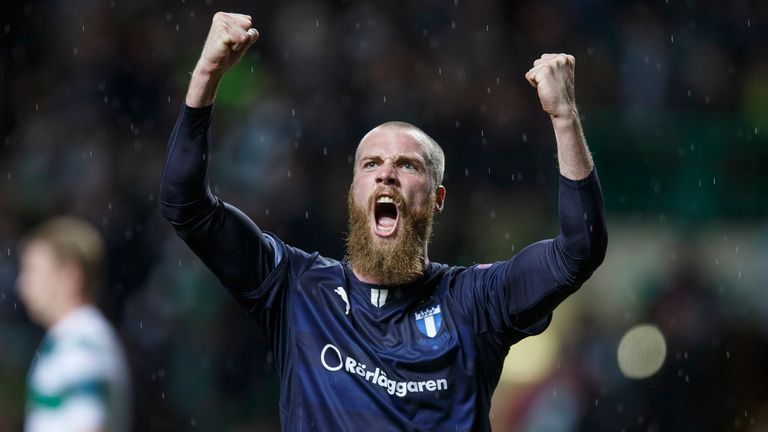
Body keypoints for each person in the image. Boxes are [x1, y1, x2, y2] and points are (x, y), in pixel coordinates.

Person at [160, 12, 607, 431]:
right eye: (371, 164)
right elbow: (186, 205)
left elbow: (579, 249)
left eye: (408, 166)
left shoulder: (475, 302)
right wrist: (205, 77)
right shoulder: (296, 288)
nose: (387, 172)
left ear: (437, 199)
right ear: (352, 192)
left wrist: (564, 117)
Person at [16, 217, 131, 432]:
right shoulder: (71, 338)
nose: (22, 283)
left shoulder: (82, 342)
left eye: (32, 270)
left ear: (70, 276)